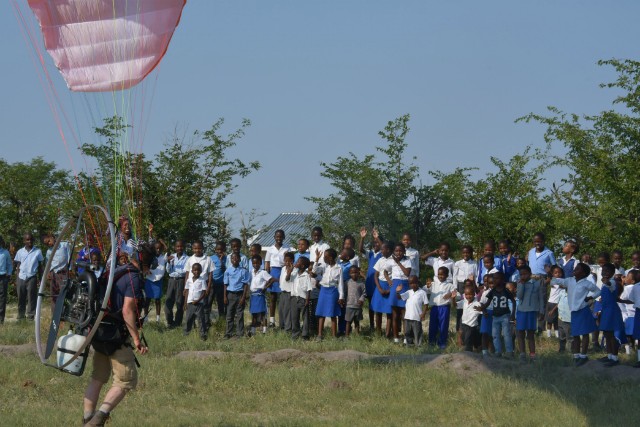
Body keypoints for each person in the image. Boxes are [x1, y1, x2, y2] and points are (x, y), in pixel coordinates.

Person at [82, 242, 151, 426]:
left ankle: (86, 418)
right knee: (125, 380)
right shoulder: (133, 277)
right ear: (144, 263)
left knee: (98, 378)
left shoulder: (113, 271)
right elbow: (128, 310)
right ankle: (96, 420)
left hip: (99, 332)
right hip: (116, 336)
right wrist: (136, 339)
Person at [551, 262, 601, 366]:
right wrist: (550, 275)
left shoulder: (586, 283)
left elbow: (598, 291)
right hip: (573, 312)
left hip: (583, 310)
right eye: (575, 268)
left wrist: (591, 297)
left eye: (577, 269)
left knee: (585, 333)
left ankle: (583, 356)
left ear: (583, 273)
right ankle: (576, 355)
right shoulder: (570, 280)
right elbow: (556, 281)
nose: (575, 270)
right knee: (576, 334)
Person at [475, 271, 515, 358]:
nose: (495, 280)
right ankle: (498, 352)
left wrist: (513, 314)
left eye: (497, 278)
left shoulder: (506, 291)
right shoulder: (492, 291)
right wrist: (482, 308)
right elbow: (488, 303)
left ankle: (509, 352)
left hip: (505, 316)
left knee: (506, 334)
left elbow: (513, 301)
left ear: (502, 280)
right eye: (494, 278)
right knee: (495, 335)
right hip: (495, 316)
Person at [597, 263, 626, 367]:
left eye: (607, 271)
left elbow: (611, 286)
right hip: (605, 311)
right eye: (603, 271)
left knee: (613, 335)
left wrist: (607, 282)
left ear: (612, 273)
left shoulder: (612, 282)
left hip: (612, 312)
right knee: (607, 334)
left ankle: (615, 358)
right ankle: (609, 356)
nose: (604, 273)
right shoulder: (604, 284)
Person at [516, 265, 545, 362]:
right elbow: (519, 296)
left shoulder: (536, 283)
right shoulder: (519, 283)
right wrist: (522, 285)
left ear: (530, 274)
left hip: (532, 311)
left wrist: (541, 311)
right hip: (521, 311)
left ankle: (532, 355)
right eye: (521, 274)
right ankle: (522, 354)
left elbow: (541, 298)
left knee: (531, 334)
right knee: (520, 333)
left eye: (525, 274)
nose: (523, 276)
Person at [315, 248, 345, 340]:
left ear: (331, 258)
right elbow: (315, 271)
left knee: (333, 314)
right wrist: (316, 259)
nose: (324, 258)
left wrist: (341, 296)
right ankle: (320, 335)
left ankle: (334, 336)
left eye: (325, 257)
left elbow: (340, 283)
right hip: (323, 290)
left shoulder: (339, 268)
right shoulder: (324, 266)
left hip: (333, 291)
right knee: (321, 313)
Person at [184, 239, 214, 327]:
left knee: (204, 306)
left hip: (202, 285)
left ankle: (205, 325)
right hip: (192, 286)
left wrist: (208, 288)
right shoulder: (190, 259)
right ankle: (191, 326)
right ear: (193, 249)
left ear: (203, 248)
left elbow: (210, 274)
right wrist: (185, 288)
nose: (197, 250)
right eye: (195, 248)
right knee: (191, 306)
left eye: (199, 248)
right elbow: (187, 273)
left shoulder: (208, 259)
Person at [265, 229, 291, 328]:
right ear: (274, 237)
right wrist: (268, 276)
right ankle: (272, 321)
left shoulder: (286, 248)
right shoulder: (270, 249)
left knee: (283, 297)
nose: (279, 238)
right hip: (273, 272)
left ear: (283, 237)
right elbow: (267, 263)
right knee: (273, 297)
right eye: (277, 236)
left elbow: (288, 261)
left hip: (283, 271)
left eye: (281, 237)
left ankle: (283, 321)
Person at [14, 233, 43, 320]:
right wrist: (16, 279)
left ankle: (30, 316)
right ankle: (21, 316)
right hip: (21, 277)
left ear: (33, 240)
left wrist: (41, 279)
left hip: (32, 277)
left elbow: (40, 266)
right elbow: (18, 266)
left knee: (31, 297)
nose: (29, 241)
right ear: (24, 241)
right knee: (21, 297)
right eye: (27, 239)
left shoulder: (38, 251)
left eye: (31, 239)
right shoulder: (20, 251)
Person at [358, 227, 382, 330]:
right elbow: (360, 249)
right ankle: (372, 325)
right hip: (370, 282)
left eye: (377, 243)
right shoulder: (371, 253)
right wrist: (362, 238)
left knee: (378, 305)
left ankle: (378, 327)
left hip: (379, 282)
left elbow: (383, 247)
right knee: (371, 304)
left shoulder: (383, 254)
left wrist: (377, 238)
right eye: (374, 244)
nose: (376, 245)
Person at [427, 266, 456, 349]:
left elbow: (456, 294)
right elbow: (425, 289)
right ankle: (431, 342)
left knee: (443, 325)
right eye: (439, 274)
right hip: (434, 307)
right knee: (432, 325)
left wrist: (450, 294)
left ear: (447, 275)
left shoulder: (450, 285)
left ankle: (442, 343)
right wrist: (428, 286)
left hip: (444, 308)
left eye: (443, 274)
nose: (441, 276)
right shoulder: (433, 284)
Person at [223, 252, 250, 338]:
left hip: (240, 295)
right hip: (230, 295)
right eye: (232, 258)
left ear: (239, 259)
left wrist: (243, 297)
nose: (234, 260)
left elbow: (245, 284)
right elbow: (225, 284)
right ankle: (228, 333)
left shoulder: (243, 271)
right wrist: (224, 296)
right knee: (229, 315)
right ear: (230, 260)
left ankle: (240, 333)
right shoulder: (228, 271)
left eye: (236, 258)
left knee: (240, 315)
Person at [453, 245, 478, 340]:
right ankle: (459, 331)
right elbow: (455, 276)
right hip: (460, 287)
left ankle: (470, 331)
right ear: (461, 253)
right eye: (464, 252)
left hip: (470, 287)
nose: (465, 254)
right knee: (460, 309)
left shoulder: (474, 263)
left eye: (467, 252)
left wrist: (475, 287)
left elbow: (475, 275)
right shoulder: (458, 263)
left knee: (470, 309)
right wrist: (455, 288)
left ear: (471, 253)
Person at [389, 243, 412, 343]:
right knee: (395, 314)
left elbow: (407, 273)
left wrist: (398, 263)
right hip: (395, 285)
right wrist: (389, 281)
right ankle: (396, 337)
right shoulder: (390, 260)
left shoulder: (407, 260)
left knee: (404, 314)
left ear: (404, 251)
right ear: (394, 252)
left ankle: (406, 337)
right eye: (396, 251)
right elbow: (385, 271)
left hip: (405, 285)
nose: (398, 253)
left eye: (400, 251)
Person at [397, 275, 427, 346]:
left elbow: (426, 305)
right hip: (408, 317)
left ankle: (418, 345)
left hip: (417, 317)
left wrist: (423, 313)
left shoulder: (422, 292)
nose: (412, 285)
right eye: (410, 283)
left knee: (417, 332)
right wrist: (397, 292)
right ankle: (409, 345)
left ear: (417, 282)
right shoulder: (408, 292)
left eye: (414, 283)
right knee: (407, 332)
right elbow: (399, 297)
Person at [371, 242, 393, 337]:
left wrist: (390, 290)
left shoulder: (394, 260)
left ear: (388, 250)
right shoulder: (380, 260)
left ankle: (388, 334)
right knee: (378, 311)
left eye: (383, 249)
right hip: (379, 286)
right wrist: (379, 288)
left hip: (390, 286)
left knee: (389, 312)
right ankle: (378, 332)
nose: (381, 251)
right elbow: (376, 275)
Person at [249, 255, 275, 336]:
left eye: (257, 263)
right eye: (254, 263)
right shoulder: (251, 272)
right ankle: (253, 331)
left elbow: (272, 279)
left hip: (260, 294)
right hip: (253, 295)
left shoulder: (263, 272)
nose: (255, 264)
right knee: (254, 313)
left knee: (263, 313)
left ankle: (264, 331)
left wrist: (265, 287)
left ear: (261, 263)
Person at [165, 240, 188, 328]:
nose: (179, 248)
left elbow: (185, 271)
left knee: (179, 302)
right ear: (175, 247)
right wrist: (168, 262)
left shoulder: (187, 258)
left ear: (183, 247)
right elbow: (168, 270)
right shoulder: (172, 256)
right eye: (177, 247)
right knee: (168, 302)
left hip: (181, 280)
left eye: (181, 246)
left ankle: (177, 323)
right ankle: (170, 322)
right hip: (172, 280)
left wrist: (176, 269)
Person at [43, 233, 71, 304]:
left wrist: (70, 270)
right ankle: (54, 313)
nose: (49, 244)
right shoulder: (49, 251)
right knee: (54, 294)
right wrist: (48, 273)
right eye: (46, 244)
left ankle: (65, 311)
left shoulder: (64, 245)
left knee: (64, 292)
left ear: (52, 237)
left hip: (64, 272)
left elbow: (69, 258)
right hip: (54, 273)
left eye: (49, 241)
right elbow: (47, 263)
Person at [183, 263, 208, 341]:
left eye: (198, 270)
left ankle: (203, 336)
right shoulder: (189, 280)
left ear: (201, 271)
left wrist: (198, 300)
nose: (196, 272)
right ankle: (186, 335)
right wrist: (185, 303)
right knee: (188, 319)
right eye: (195, 270)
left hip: (199, 304)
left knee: (200, 319)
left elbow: (204, 293)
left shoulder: (202, 280)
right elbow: (187, 291)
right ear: (192, 271)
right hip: (190, 303)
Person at [144, 239, 167, 323]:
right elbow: (145, 265)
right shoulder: (150, 256)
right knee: (147, 299)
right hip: (149, 280)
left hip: (158, 281)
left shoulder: (163, 257)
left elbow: (167, 249)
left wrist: (162, 242)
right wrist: (146, 270)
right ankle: (146, 318)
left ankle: (158, 319)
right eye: (156, 248)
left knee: (157, 300)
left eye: (159, 248)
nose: (158, 250)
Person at [290, 257, 313, 340]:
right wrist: (291, 269)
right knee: (294, 317)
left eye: (298, 262)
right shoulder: (294, 273)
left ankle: (305, 335)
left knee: (305, 317)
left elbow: (309, 289)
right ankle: (295, 335)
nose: (296, 262)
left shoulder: (306, 275)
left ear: (302, 266)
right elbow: (287, 278)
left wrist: (307, 300)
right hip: (294, 298)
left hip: (303, 299)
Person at [344, 265, 366, 337]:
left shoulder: (361, 283)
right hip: (349, 305)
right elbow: (344, 292)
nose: (354, 274)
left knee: (357, 321)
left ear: (358, 273)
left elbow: (364, 293)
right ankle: (347, 335)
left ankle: (357, 335)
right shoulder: (347, 283)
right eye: (352, 273)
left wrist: (361, 299)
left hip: (358, 306)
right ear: (349, 274)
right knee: (348, 322)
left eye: (356, 272)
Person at [460, 284, 482, 352]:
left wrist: (483, 310)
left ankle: (468, 354)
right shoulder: (464, 302)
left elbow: (483, 312)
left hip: (471, 326)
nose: (468, 296)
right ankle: (475, 348)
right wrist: (453, 298)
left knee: (468, 341)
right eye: (466, 294)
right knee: (464, 340)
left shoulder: (477, 304)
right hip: (464, 325)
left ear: (474, 294)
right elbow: (455, 305)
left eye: (470, 294)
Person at [209, 241, 227, 321]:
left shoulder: (227, 259)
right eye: (217, 250)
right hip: (212, 284)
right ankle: (207, 321)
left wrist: (221, 260)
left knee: (221, 303)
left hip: (221, 284)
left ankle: (221, 321)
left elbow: (225, 269)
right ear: (215, 250)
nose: (219, 251)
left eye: (221, 250)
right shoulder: (211, 258)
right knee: (209, 302)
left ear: (224, 250)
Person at [0, 236, 13, 324]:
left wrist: (9, 274)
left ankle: (1, 320)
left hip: (2, 277)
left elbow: (9, 265)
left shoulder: (5, 252)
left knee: (2, 299)